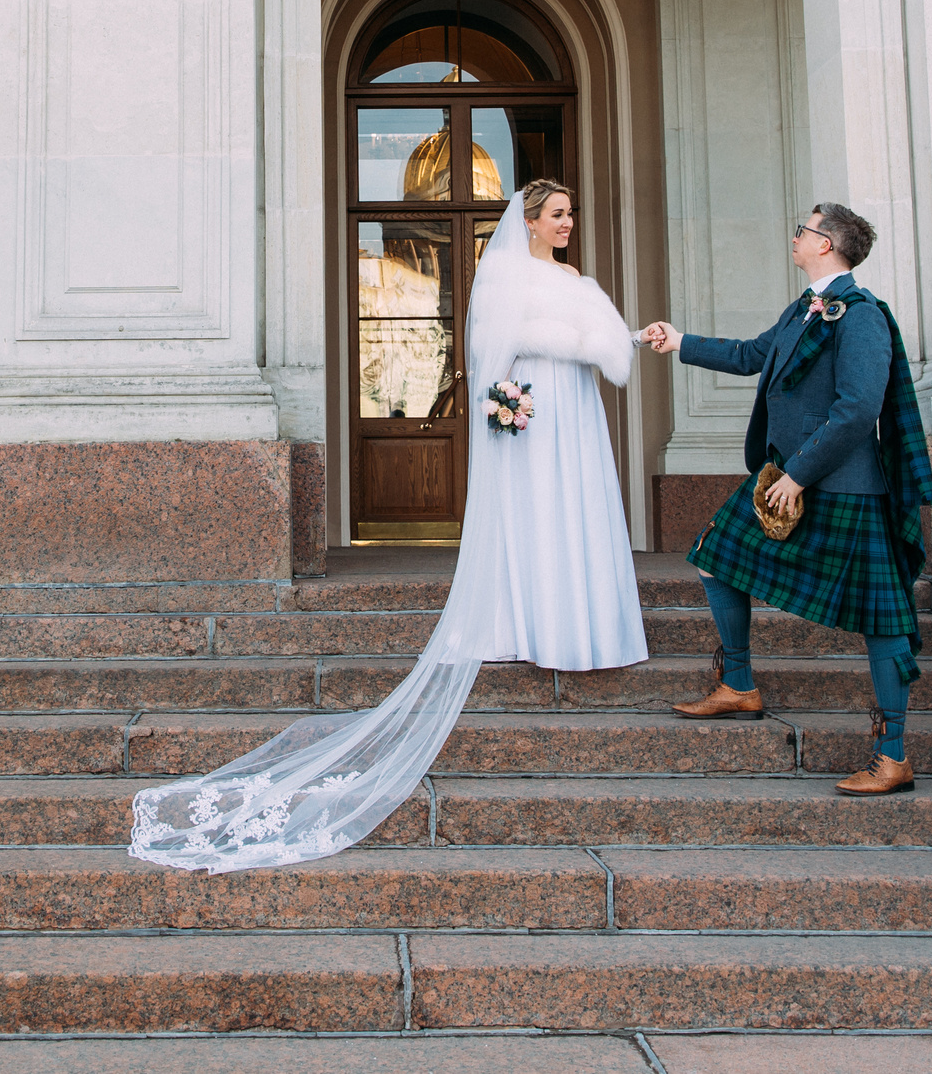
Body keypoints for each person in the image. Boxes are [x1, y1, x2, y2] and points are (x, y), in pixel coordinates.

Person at [131, 180, 646, 871]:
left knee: (575, 514)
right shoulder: (505, 280)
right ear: (528, 222)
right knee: (537, 521)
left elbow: (610, 350)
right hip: (533, 415)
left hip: (575, 414)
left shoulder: (578, 280)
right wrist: (511, 396)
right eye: (557, 214)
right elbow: (490, 354)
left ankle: (582, 626)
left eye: (570, 214)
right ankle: (530, 621)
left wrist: (610, 338)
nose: (568, 223)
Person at [639, 201, 932, 797]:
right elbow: (753, 355)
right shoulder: (806, 309)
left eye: (802, 229)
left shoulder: (860, 317)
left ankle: (893, 755)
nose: (794, 235)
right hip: (791, 477)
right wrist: (680, 342)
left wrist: (797, 476)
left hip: (842, 486)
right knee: (715, 555)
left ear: (826, 244)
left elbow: (856, 410)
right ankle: (740, 683)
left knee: (883, 622)